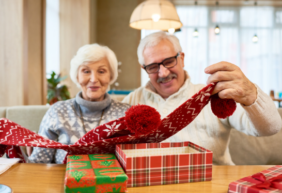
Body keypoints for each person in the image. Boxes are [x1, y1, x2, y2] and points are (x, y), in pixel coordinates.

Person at [122, 31, 282, 165]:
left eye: (169, 61)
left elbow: (271, 127)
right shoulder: (132, 101)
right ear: (144, 69)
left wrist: (250, 94)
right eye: (152, 67)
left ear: (182, 58)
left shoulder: (213, 96)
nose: (163, 73)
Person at [28, 44, 131, 164]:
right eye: (86, 71)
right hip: (62, 181)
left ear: (111, 75)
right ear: (77, 76)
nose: (93, 79)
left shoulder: (126, 114)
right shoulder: (57, 111)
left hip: (113, 181)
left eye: (101, 71)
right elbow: (39, 163)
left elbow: (134, 161)